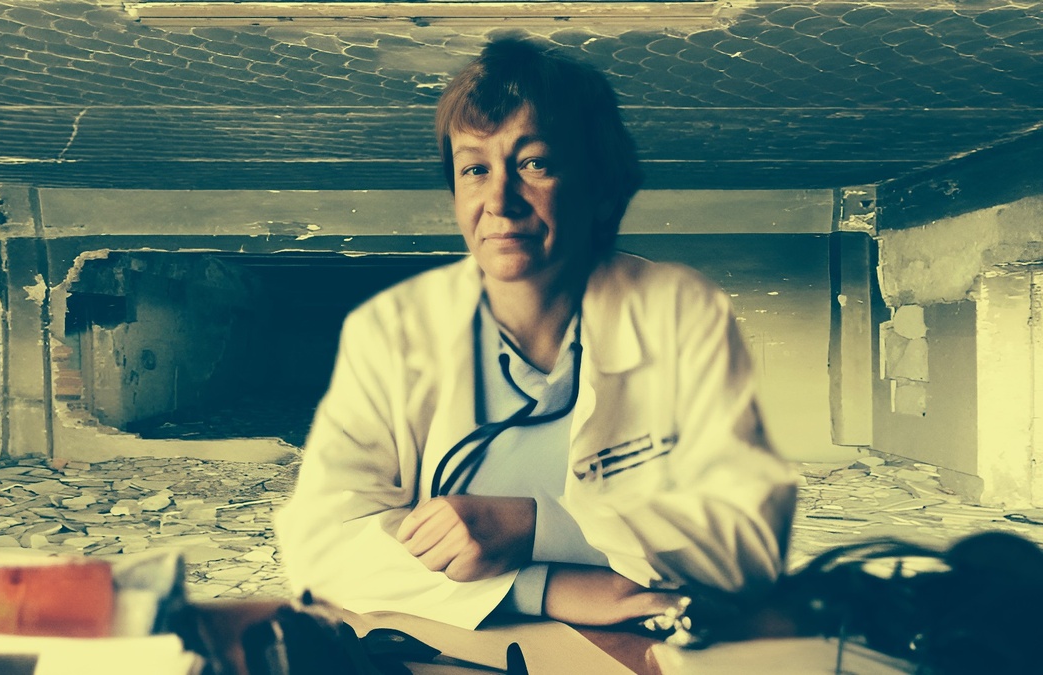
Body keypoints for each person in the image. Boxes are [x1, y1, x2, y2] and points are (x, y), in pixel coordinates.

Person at [274, 38, 797, 631]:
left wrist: (533, 526)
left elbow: (744, 534)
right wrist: (546, 587)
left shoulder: (677, 318)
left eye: (535, 164)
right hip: (466, 642)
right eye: (475, 169)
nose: (499, 202)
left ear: (602, 190)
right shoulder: (392, 331)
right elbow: (322, 545)